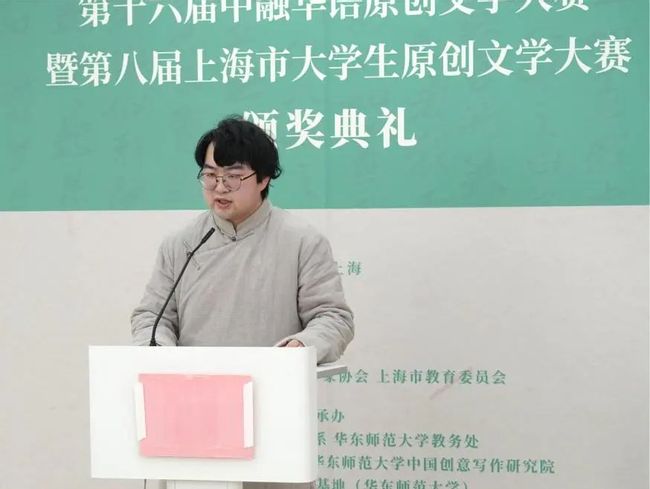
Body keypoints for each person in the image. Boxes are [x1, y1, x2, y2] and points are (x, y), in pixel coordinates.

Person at [131, 116, 354, 366]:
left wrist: (300, 347)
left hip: (273, 380)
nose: (220, 187)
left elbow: (333, 318)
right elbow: (152, 317)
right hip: (193, 382)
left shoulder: (303, 241)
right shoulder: (181, 243)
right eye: (210, 175)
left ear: (264, 178)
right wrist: (158, 350)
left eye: (233, 176)